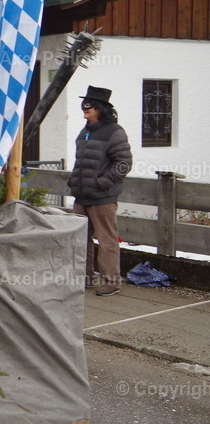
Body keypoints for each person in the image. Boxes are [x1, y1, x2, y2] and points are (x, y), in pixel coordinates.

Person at [67, 86, 132, 296]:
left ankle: (112, 282)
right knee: (80, 239)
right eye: (84, 105)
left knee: (107, 240)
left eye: (89, 106)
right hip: (81, 195)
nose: (84, 109)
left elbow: (123, 163)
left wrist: (102, 183)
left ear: (100, 109)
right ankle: (85, 278)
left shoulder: (115, 132)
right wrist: (75, 182)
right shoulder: (84, 130)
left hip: (103, 197)